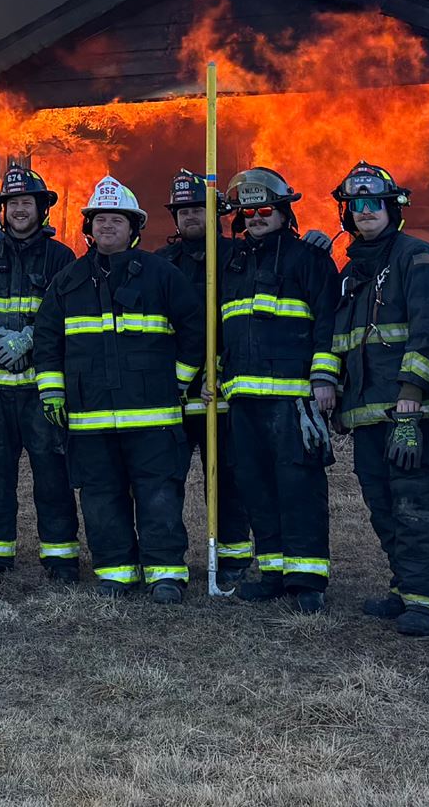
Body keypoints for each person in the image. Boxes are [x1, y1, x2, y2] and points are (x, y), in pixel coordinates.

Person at [33, 177, 203, 602]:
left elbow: (195, 332)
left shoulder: (164, 275)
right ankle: (116, 571)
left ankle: (165, 572)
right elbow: (48, 339)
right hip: (89, 417)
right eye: (100, 219)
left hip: (153, 415)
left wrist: (178, 383)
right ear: (89, 228)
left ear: (134, 228)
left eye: (117, 219)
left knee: (159, 491)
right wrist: (52, 391)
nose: (107, 226)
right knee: (100, 495)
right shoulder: (68, 281)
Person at [327, 162, 429, 637]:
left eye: (373, 203)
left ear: (392, 208)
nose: (364, 212)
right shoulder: (354, 270)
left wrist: (409, 398)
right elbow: (345, 339)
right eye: (355, 204)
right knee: (381, 504)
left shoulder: (417, 258)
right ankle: (406, 587)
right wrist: (339, 395)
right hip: (367, 414)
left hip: (409, 413)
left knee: (415, 504)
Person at [214, 168, 339, 610]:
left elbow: (328, 322)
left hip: (293, 397)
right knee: (255, 485)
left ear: (285, 210)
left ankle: (307, 579)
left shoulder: (309, 260)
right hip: (243, 398)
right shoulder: (231, 262)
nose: (256, 217)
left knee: (298, 485)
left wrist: (323, 377)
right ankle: (272, 571)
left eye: (265, 208)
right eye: (248, 211)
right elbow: (220, 327)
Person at [0, 163, 80, 581]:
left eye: (26, 201)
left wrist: (30, 337)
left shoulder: (62, 257)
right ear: (2, 211)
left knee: (52, 472)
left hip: (41, 388)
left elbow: (67, 310)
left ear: (41, 208)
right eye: (12, 203)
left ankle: (60, 556)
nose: (19, 209)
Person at [160, 170, 249, 587]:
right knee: (166, 477)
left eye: (198, 208)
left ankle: (233, 556)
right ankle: (166, 560)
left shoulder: (238, 256)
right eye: (184, 211)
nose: (191, 216)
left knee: (230, 478)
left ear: (215, 212)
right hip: (175, 393)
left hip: (223, 389)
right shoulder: (160, 264)